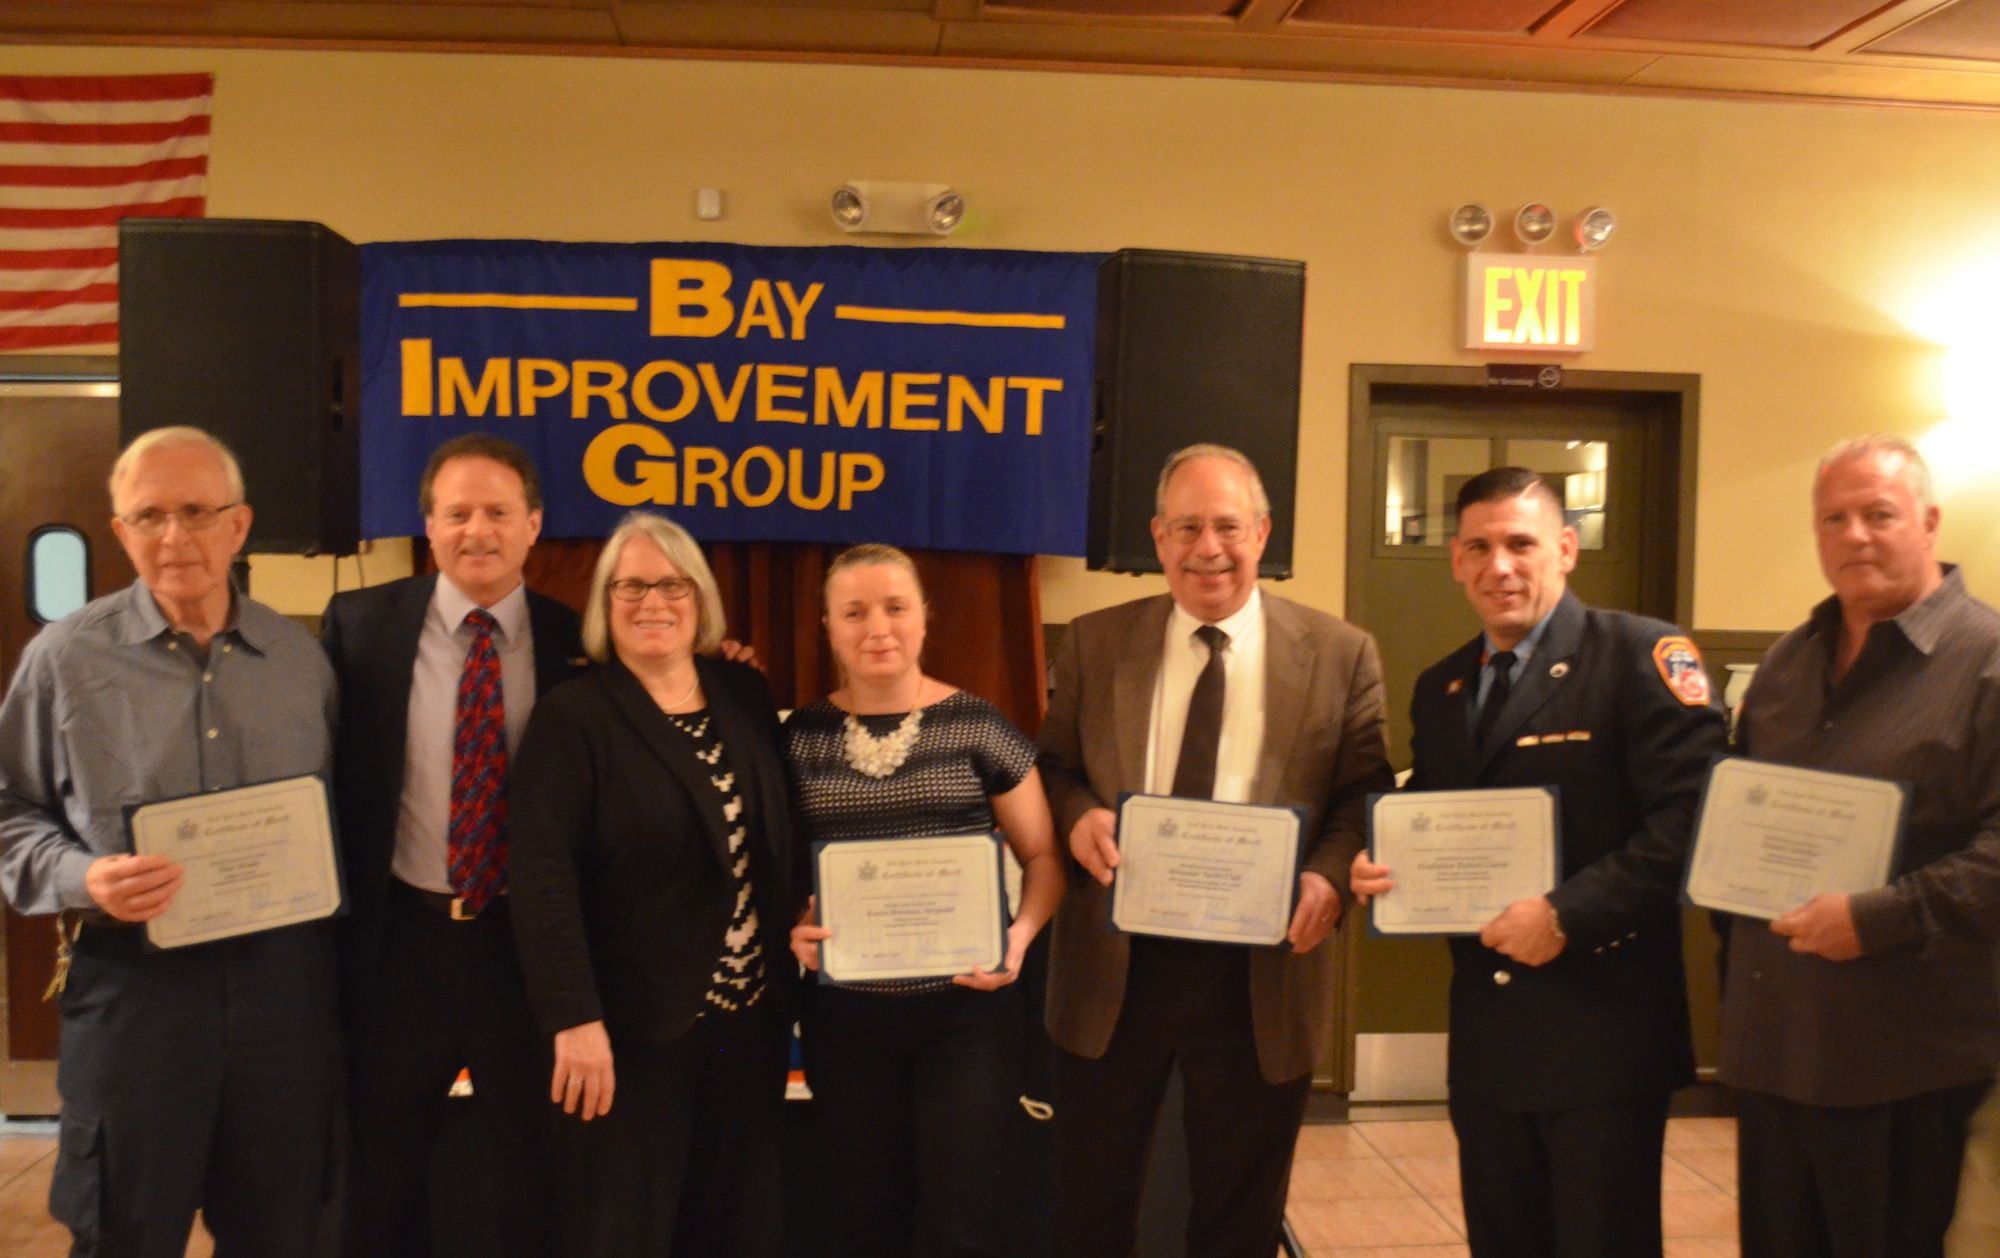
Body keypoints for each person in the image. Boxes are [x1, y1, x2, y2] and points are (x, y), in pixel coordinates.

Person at [1351, 466, 1726, 1258]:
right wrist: (1383, 869)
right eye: (1479, 547)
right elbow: (1441, 824)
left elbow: (1693, 822)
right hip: (1490, 1039)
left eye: (1521, 544)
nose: (1501, 567)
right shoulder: (1443, 687)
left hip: (1604, 1034)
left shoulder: (1639, 654)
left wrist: (1568, 915)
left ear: (1564, 548)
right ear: (1454, 559)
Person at [1037, 443, 1392, 1258]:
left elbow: (1362, 796)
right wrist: (1081, 814)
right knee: (1088, 1207)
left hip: (1261, 974)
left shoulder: (1341, 653)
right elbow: (1053, 767)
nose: (1209, 548)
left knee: (1238, 1215)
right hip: (1116, 967)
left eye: (1227, 525)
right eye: (1188, 526)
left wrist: (1329, 878)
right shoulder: (1095, 642)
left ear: (1262, 532)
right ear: (1158, 537)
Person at [0, 426, 341, 1255]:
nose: (174, 537)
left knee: (282, 1233)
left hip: (285, 999)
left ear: (240, 524)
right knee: (124, 1231)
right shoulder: (63, 659)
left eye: (196, 511)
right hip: (135, 998)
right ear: (119, 531)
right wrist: (84, 877)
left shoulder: (302, 660)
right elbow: (11, 813)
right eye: (148, 516)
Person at [1720, 436, 2000, 1258]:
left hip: (1904, 1061)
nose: (1854, 536)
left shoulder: (1987, 663)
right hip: (1777, 1047)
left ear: (1930, 522)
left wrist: (1881, 918)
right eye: (1833, 519)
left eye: (1878, 515)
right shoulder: (1785, 663)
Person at [506, 510, 798, 1257]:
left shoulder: (743, 694)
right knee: (624, 1232)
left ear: (699, 598)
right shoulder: (573, 717)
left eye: (671, 584)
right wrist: (573, 1017)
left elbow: (775, 838)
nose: (651, 602)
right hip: (629, 1036)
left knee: (737, 1229)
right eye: (629, 587)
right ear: (605, 605)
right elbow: (543, 879)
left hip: (750, 1027)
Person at [321, 433, 581, 1258]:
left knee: (532, 1175)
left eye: (499, 512)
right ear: (427, 525)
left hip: (524, 947)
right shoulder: (358, 626)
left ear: (534, 525)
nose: (479, 530)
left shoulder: (580, 644)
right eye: (457, 512)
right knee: (382, 1175)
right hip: (401, 942)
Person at [784, 543, 1064, 1257]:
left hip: (966, 1014)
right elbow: (776, 873)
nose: (877, 626)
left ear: (924, 619)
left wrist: (1019, 938)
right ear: (829, 627)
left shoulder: (978, 724)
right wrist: (796, 927)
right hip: (845, 1018)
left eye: (895, 607)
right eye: (854, 612)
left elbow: (1043, 857)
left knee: (959, 1219)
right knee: (863, 1215)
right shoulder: (799, 739)